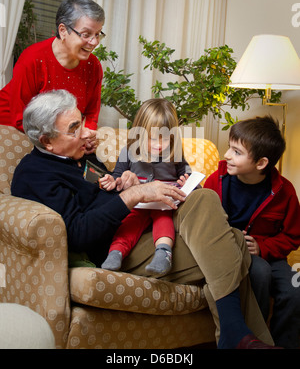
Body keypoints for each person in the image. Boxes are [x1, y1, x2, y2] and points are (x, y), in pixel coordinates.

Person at [11, 90, 281, 349]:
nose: (88, 131)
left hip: (146, 225)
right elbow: (79, 232)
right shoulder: (36, 174)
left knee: (204, 197)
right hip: (119, 246)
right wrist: (133, 193)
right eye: (74, 129)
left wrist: (122, 181)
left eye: (81, 122)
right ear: (46, 140)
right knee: (232, 241)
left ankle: (233, 336)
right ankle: (239, 336)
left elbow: (103, 191)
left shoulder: (77, 155)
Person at [204, 115, 300, 348]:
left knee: (295, 291)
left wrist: (263, 247)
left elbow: (293, 236)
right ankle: (251, 338)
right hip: (229, 254)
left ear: (261, 163)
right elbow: (203, 221)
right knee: (259, 272)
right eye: (229, 148)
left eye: (236, 152)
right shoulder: (216, 180)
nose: (226, 155)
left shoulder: (284, 191)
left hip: (270, 256)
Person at [0, 0, 105, 155]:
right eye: (86, 34)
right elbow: (20, 117)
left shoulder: (93, 66)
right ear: (63, 30)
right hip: (13, 129)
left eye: (98, 34)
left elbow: (91, 113)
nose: (94, 42)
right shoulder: (32, 59)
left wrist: (87, 135)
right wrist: (67, 140)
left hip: (60, 139)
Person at [100, 98, 191, 276]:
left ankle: (163, 252)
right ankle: (115, 253)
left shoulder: (175, 153)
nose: (158, 144)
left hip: (164, 205)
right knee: (129, 222)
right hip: (138, 205)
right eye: (151, 138)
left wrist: (187, 183)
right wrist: (113, 181)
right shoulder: (129, 152)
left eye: (164, 138)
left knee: (163, 219)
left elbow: (190, 178)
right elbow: (117, 177)